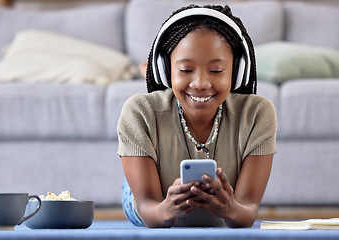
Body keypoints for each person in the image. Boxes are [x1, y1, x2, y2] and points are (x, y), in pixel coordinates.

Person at [117, 4, 277, 228]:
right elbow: (149, 210)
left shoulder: (257, 113)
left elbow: (246, 213)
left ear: (237, 71)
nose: (201, 84)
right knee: (137, 195)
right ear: (165, 69)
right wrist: (165, 209)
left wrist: (232, 209)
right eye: (185, 70)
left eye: (216, 71)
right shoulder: (139, 112)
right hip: (148, 198)